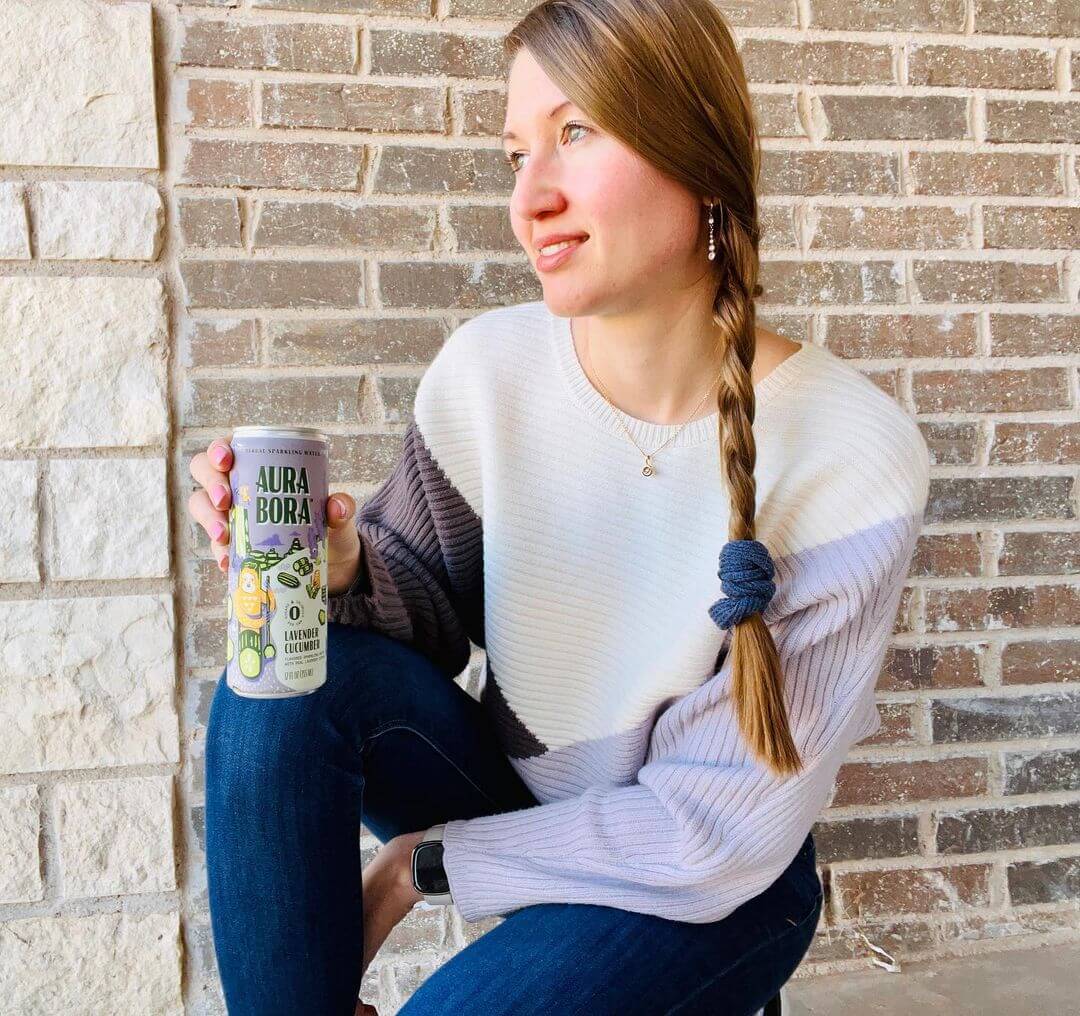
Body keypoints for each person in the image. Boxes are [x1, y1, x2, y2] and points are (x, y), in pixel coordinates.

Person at [188, 0, 930, 1012]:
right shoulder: (488, 373)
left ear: (699, 158)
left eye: (576, 133)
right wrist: (345, 568)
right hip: (525, 791)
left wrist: (420, 864)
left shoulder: (856, 455)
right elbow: (427, 608)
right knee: (272, 688)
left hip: (716, 872)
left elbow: (706, 830)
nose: (529, 196)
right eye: (514, 152)